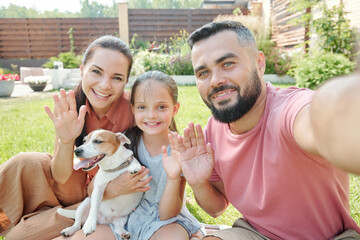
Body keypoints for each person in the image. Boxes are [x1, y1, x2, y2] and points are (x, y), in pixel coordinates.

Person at [173, 20, 360, 240]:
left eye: (227, 64)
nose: (215, 80)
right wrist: (198, 182)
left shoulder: (288, 111)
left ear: (259, 63)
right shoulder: (213, 131)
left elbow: (322, 123)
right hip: (257, 234)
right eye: (203, 73)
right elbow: (216, 208)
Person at [0, 35, 150, 240]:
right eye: (96, 72)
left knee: (18, 237)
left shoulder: (136, 110)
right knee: (24, 162)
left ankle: (41, 219)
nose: (105, 85)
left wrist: (110, 190)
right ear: (82, 70)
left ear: (126, 81)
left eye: (117, 77)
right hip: (74, 184)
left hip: (106, 199)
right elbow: (60, 176)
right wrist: (66, 140)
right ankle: (26, 215)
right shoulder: (72, 103)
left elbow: (161, 160)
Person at [124, 71, 204, 240]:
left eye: (161, 107)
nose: (151, 115)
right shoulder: (126, 142)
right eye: (142, 107)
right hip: (128, 219)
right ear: (132, 109)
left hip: (168, 222)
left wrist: (174, 177)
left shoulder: (181, 150)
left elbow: (167, 214)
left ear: (175, 109)